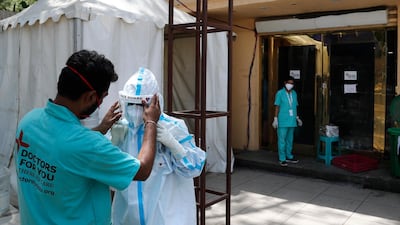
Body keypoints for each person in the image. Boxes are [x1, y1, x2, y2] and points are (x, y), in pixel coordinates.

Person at [14, 50, 161, 225]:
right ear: (91, 96)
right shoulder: (89, 145)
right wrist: (151, 122)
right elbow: (142, 170)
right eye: (102, 98)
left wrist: (101, 128)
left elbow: (61, 152)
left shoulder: (29, 122)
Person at [111, 67, 206, 225]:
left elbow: (195, 168)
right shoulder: (122, 129)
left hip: (167, 218)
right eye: (131, 104)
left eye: (142, 105)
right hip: (127, 218)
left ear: (155, 102)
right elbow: (109, 176)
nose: (135, 111)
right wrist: (112, 143)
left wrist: (175, 145)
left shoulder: (173, 127)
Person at [272, 76, 303, 167]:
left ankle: (289, 156)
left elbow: (294, 106)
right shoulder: (280, 93)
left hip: (292, 120)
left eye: (292, 83)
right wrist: (275, 119)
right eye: (289, 83)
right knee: (282, 140)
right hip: (282, 120)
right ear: (285, 83)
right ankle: (282, 158)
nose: (290, 85)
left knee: (290, 140)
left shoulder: (294, 94)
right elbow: (277, 106)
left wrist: (297, 118)